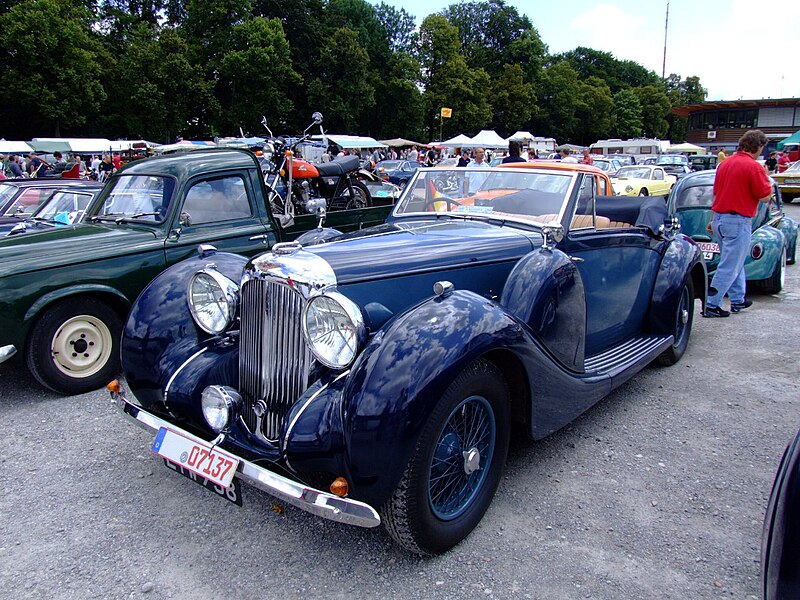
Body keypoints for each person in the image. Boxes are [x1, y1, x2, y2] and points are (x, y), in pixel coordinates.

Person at [704, 130, 773, 318]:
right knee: (730, 264)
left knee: (735, 260)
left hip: (719, 218)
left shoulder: (725, 164)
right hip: (738, 220)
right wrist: (767, 179)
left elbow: (716, 193)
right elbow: (765, 197)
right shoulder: (754, 167)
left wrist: (712, 219)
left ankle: (738, 298)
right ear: (758, 146)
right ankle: (711, 303)